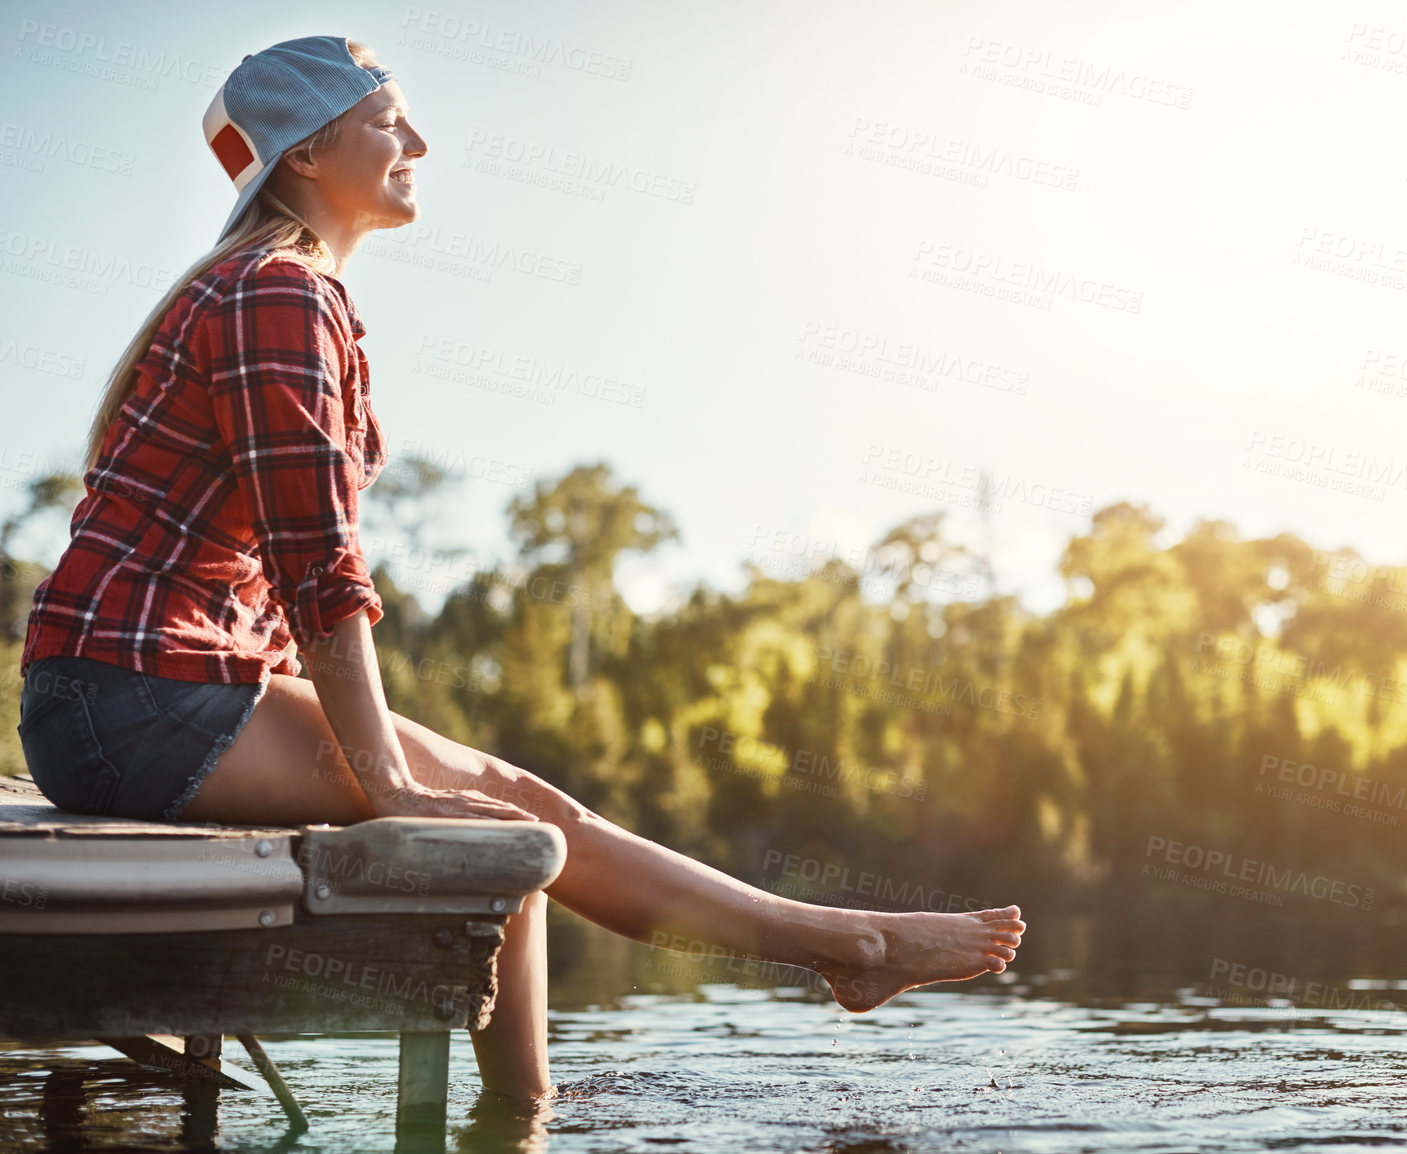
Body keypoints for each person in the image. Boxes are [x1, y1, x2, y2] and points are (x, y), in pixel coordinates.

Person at [13, 35, 1025, 1102]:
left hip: (146, 696)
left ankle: (531, 1103)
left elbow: (279, 581)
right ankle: (841, 946)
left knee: (515, 817)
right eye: (386, 120)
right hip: (134, 704)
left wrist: (397, 773)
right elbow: (318, 570)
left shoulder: (283, 291)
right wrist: (391, 781)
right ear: (306, 157)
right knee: (498, 816)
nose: (417, 141)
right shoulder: (276, 295)